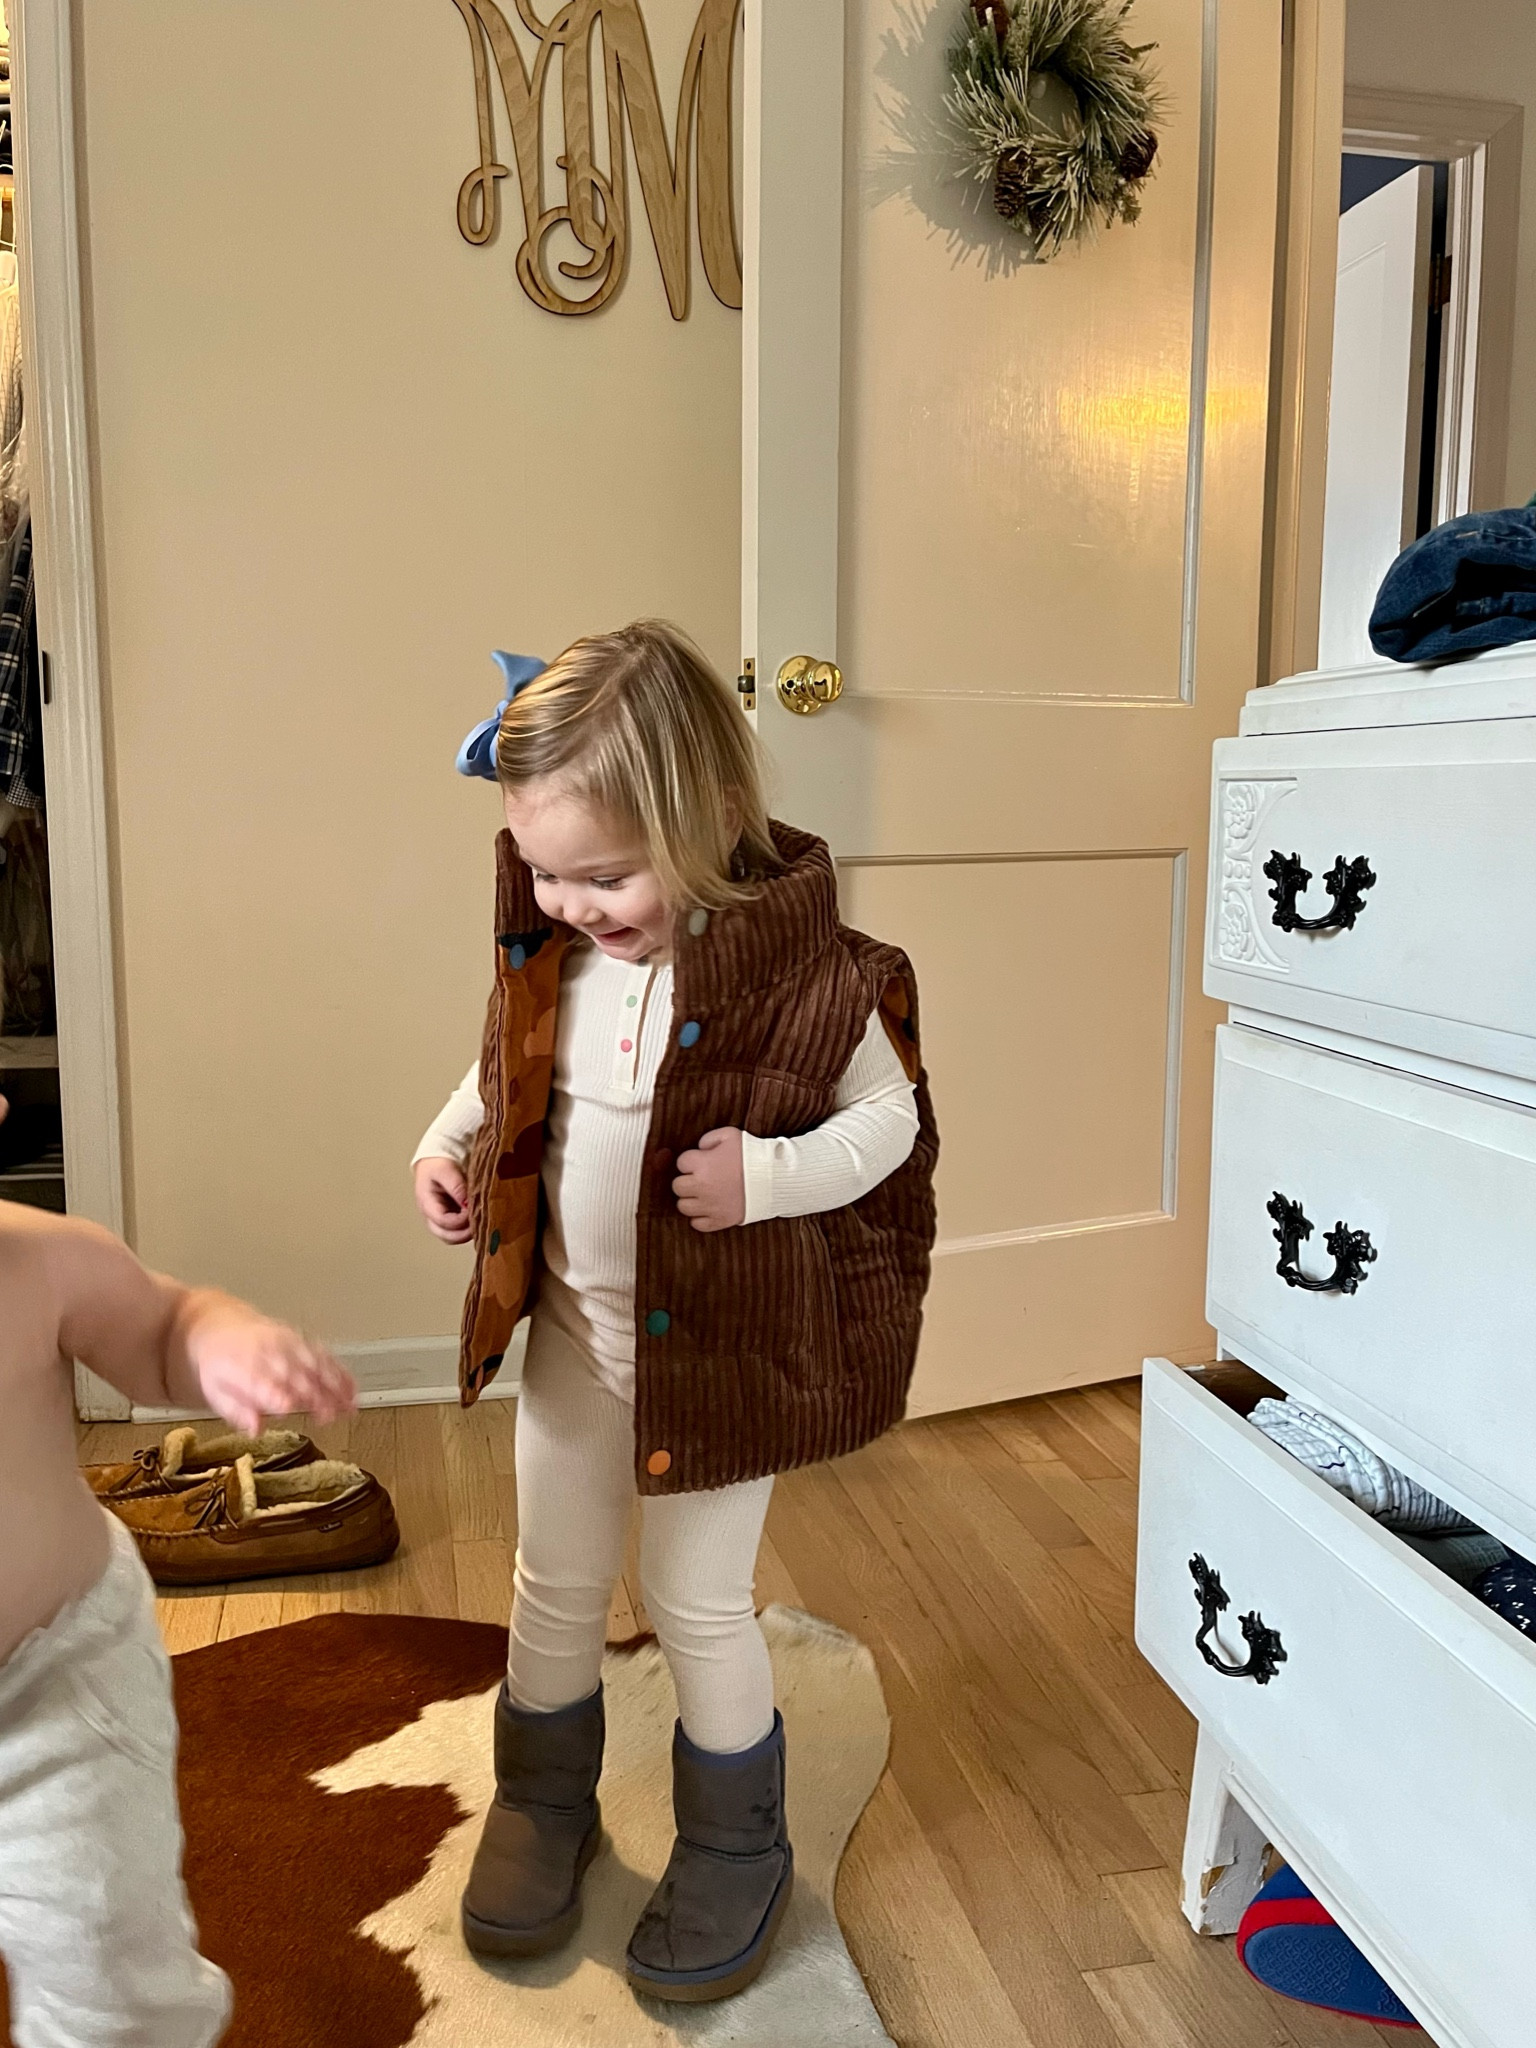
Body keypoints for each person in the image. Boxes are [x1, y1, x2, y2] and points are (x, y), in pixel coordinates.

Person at [413, 620, 938, 2003]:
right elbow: (501, 1067)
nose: (573, 904)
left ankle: (736, 1839)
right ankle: (544, 1798)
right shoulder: (563, 960)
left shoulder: (811, 979)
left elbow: (889, 1123)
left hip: (718, 1363)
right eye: (546, 871)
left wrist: (767, 1177)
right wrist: (445, 1144)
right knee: (554, 1574)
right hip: (575, 1346)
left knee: (697, 1601)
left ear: (705, 818)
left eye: (606, 875)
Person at [0, 1092, 357, 2048]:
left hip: (48, 1691)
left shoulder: (33, 1261)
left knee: (105, 1969)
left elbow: (162, 1325)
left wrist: (223, 1345)